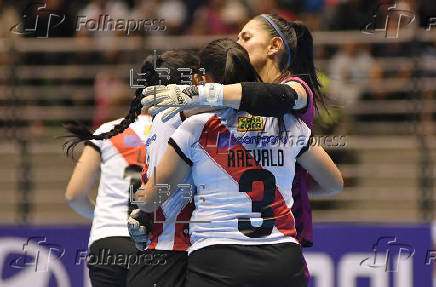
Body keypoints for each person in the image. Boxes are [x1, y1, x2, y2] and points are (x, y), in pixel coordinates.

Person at [134, 39, 343, 287]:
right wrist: (283, 187)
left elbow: (149, 200)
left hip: (217, 260)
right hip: (282, 260)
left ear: (202, 82)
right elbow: (333, 184)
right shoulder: (287, 123)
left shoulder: (195, 128)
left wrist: (137, 200)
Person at [140, 14, 321, 247]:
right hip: (240, 232)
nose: (238, 44)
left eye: (245, 37)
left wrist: (199, 93)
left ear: (274, 46)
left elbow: (274, 97)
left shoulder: (295, 88)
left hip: (286, 226)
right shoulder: (226, 107)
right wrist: (144, 214)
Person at [63, 50, 199, 287]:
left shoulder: (109, 131)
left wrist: (104, 215)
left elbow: (74, 195)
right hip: (158, 242)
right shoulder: (185, 127)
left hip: (109, 241)